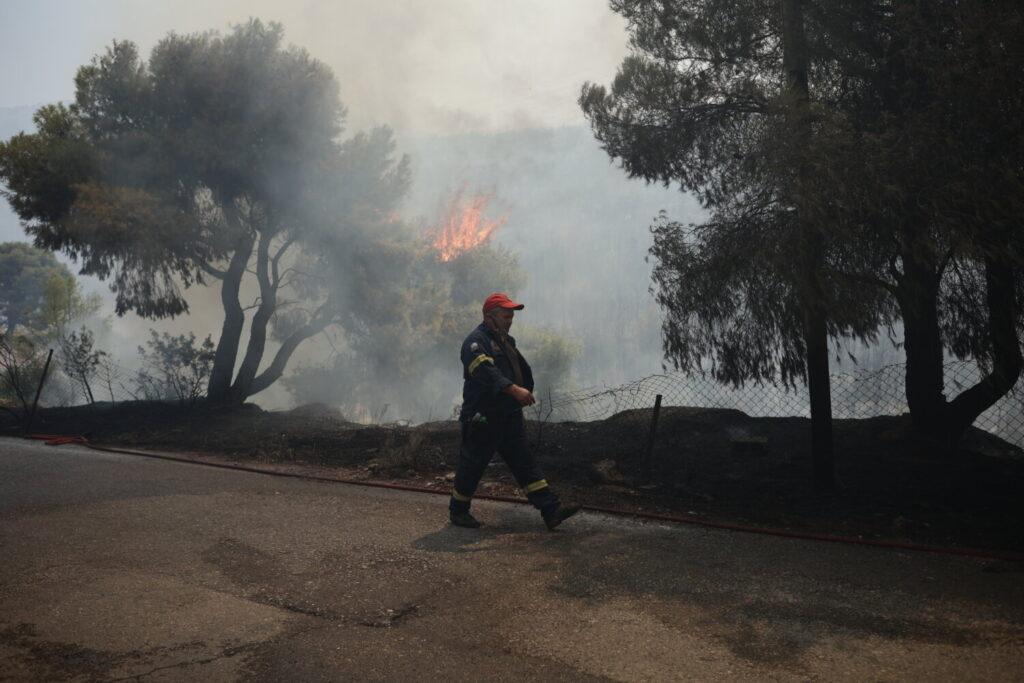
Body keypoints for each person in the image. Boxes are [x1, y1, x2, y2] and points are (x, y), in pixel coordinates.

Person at [449, 293, 581, 530]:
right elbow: (486, 373)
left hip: (508, 416)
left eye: (511, 314)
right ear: (490, 317)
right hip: (483, 417)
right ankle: (458, 511)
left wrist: (521, 393)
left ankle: (551, 510)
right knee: (473, 465)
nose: (510, 318)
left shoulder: (505, 341)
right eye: (505, 314)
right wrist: (515, 391)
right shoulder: (476, 342)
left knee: (525, 463)